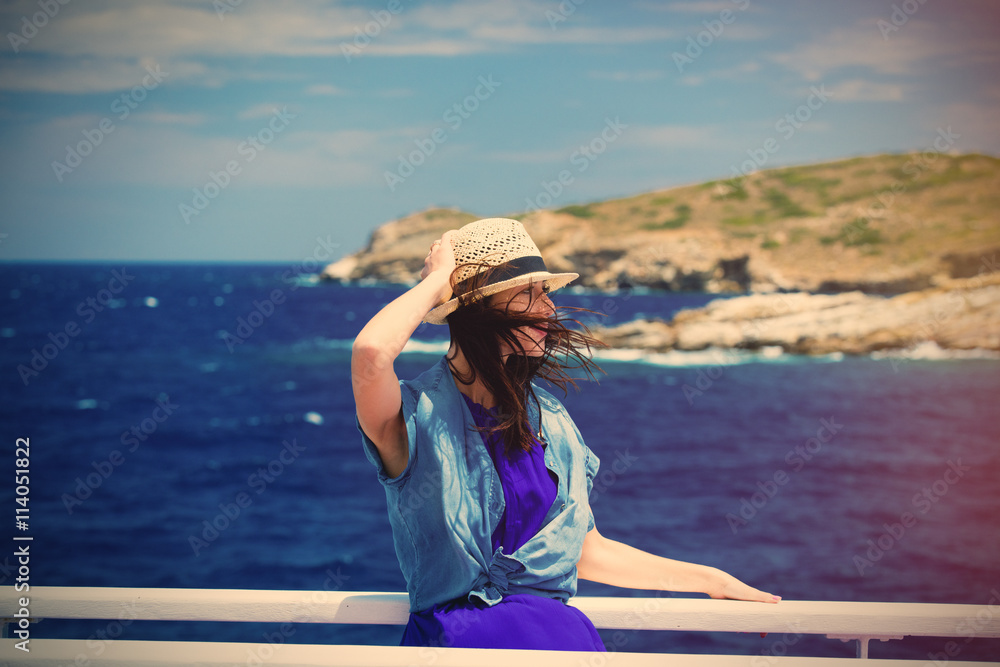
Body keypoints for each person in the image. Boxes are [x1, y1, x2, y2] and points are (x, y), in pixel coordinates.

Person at [351, 217, 779, 651]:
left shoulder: (550, 420)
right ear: (479, 307)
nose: (549, 310)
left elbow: (584, 550)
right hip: (458, 647)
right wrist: (442, 280)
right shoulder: (414, 416)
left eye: (547, 294)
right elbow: (371, 352)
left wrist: (711, 580)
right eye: (527, 294)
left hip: (558, 642)